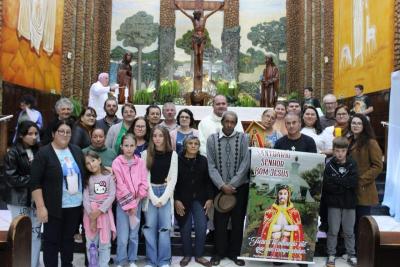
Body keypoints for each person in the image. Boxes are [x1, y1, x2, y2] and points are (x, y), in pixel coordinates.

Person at [31, 120, 85, 267]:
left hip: (74, 205)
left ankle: (67, 264)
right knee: (51, 242)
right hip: (53, 207)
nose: (65, 135)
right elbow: (35, 183)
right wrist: (41, 207)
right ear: (53, 133)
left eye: (68, 132)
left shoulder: (76, 150)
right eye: (61, 131)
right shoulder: (44, 153)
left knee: (68, 240)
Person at [207, 111, 250, 266]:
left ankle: (235, 253)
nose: (229, 124)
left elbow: (246, 163)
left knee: (238, 222)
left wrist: (232, 184)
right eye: (227, 121)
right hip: (220, 188)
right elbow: (211, 166)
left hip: (239, 188)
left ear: (236, 123)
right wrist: (222, 185)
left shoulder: (244, 138)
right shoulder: (212, 139)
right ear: (222, 122)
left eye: (233, 122)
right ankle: (219, 253)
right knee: (220, 222)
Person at [4, 121, 41, 267]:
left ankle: (34, 264)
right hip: (18, 200)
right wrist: (35, 180)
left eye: (36, 133)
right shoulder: (12, 153)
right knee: (21, 235)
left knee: (36, 234)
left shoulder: (40, 151)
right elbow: (12, 178)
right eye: (30, 134)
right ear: (21, 135)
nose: (34, 137)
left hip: (36, 199)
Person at [174, 136, 214, 267]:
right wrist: (176, 199)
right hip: (182, 198)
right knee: (185, 227)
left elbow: (208, 181)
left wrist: (209, 198)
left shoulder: (203, 160)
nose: (193, 146)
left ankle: (199, 255)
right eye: (190, 143)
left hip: (200, 198)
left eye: (196, 144)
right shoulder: (177, 160)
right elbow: (173, 181)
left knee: (201, 226)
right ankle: (187, 254)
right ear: (185, 145)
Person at [142, 126, 178, 267]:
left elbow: (173, 179)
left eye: (160, 136)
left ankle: (163, 261)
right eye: (155, 136)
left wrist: (162, 199)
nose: (157, 138)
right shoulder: (146, 154)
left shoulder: (173, 155)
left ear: (166, 138)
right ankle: (151, 261)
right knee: (149, 227)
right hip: (149, 193)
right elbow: (144, 178)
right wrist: (153, 198)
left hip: (166, 194)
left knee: (164, 229)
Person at [112, 133, 149, 267]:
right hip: (123, 205)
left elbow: (144, 182)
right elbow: (120, 186)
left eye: (132, 145)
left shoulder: (140, 162)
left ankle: (132, 259)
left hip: (137, 203)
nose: (129, 148)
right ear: (121, 146)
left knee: (134, 234)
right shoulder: (117, 162)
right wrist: (130, 204)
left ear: (135, 147)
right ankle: (121, 260)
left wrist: (137, 201)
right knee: (123, 236)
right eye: (126, 145)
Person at [323, 137, 358, 267]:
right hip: (334, 203)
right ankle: (331, 254)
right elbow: (327, 185)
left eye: (342, 151)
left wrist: (337, 183)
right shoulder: (329, 165)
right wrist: (343, 185)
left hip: (349, 203)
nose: (340, 154)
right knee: (333, 230)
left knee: (349, 231)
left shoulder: (352, 164)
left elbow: (353, 183)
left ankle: (351, 254)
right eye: (337, 151)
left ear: (346, 151)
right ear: (333, 150)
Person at [348, 114, 383, 237]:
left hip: (364, 189)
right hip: (349, 189)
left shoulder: (370, 142)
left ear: (364, 126)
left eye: (359, 123)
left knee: (361, 223)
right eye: (353, 123)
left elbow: (378, 166)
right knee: (351, 223)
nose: (355, 125)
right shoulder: (349, 140)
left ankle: (362, 251)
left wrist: (361, 180)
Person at [83, 150, 116, 267]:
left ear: (99, 160)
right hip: (90, 215)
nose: (91, 165)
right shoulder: (88, 179)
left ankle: (103, 264)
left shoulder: (108, 177)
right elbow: (86, 198)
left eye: (93, 161)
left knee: (105, 243)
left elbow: (112, 195)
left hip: (104, 214)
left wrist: (100, 210)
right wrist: (92, 215)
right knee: (91, 243)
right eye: (87, 163)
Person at [175, 1, 224, 78]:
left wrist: (219, 7)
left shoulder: (204, 19)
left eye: (196, 14)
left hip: (202, 38)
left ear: (199, 14)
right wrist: (178, 7)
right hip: (195, 38)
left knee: (200, 53)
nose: (195, 16)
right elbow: (186, 13)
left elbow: (212, 12)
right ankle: (197, 71)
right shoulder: (193, 20)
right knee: (196, 53)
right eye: (194, 15)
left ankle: (199, 70)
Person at [257, 185, 304, 261]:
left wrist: (283, 230)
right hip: (274, 239)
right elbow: (266, 227)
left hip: (287, 241)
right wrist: (278, 230)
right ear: (277, 195)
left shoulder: (294, 212)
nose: (282, 196)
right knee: (276, 250)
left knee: (284, 242)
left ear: (289, 196)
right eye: (280, 193)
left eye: (285, 194)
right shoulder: (270, 211)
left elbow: (297, 228)